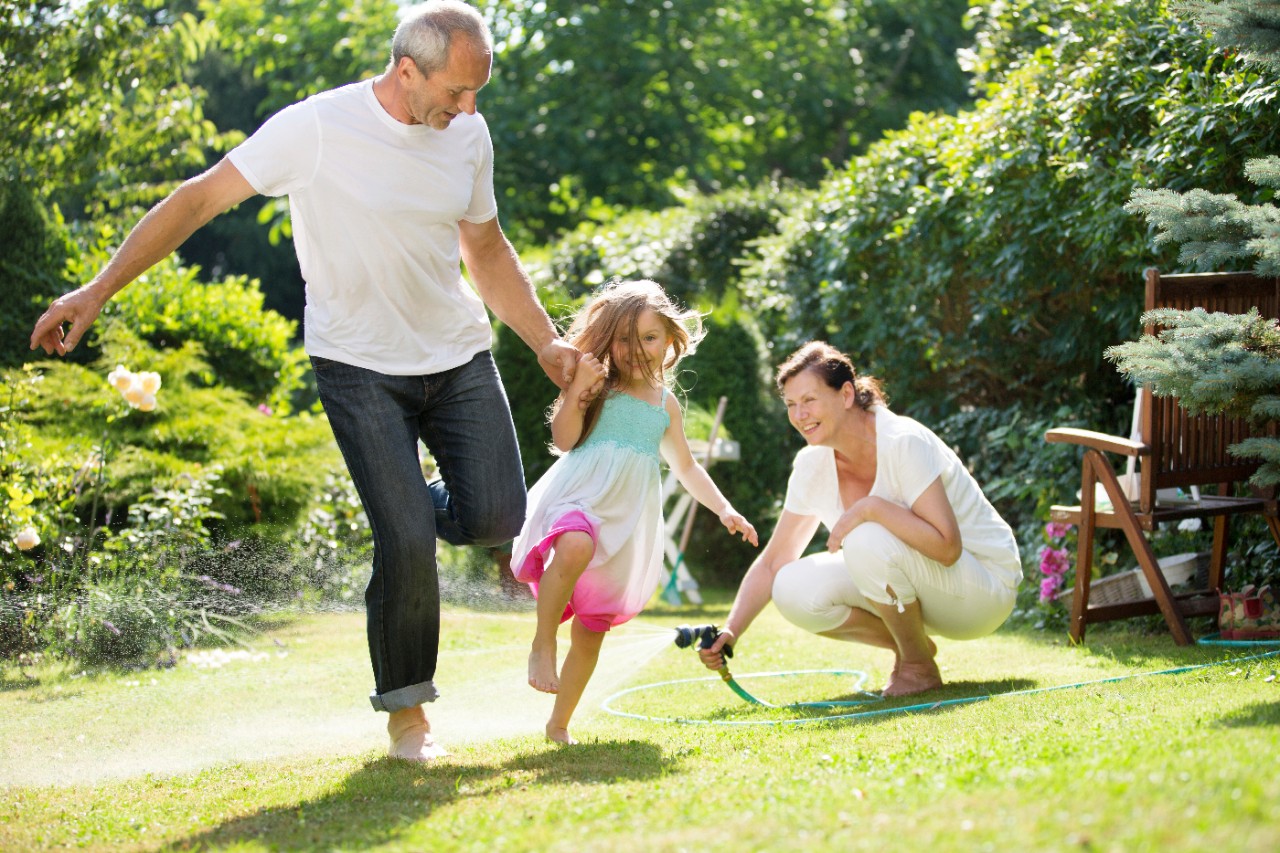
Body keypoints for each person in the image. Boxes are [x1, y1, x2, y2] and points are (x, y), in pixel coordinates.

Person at [28, 1, 579, 761]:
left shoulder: (467, 135)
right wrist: (95, 291)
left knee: (494, 514)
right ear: (407, 69)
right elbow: (197, 200)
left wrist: (545, 340)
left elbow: (484, 248)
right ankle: (408, 713)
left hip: (455, 356)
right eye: (455, 91)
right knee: (410, 543)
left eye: (476, 91)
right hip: (357, 366)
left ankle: (398, 511)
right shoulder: (315, 128)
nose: (469, 108)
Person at [510, 279, 758, 743]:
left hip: (624, 522)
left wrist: (725, 509)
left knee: (590, 630)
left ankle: (558, 724)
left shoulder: (666, 406)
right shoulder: (598, 384)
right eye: (623, 338)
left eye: (648, 337)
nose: (636, 349)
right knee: (575, 541)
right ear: (608, 339)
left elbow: (685, 466)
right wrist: (577, 388)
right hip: (578, 496)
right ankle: (542, 642)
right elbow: (563, 439)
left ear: (668, 339)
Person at [699, 341, 1020, 696]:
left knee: (866, 536)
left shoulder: (902, 441)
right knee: (790, 586)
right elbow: (775, 561)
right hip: (920, 589)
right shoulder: (812, 464)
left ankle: (917, 668)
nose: (799, 415)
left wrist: (870, 508)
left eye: (809, 400)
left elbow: (947, 549)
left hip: (983, 591)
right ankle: (913, 648)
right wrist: (731, 630)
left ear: (846, 394)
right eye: (791, 405)